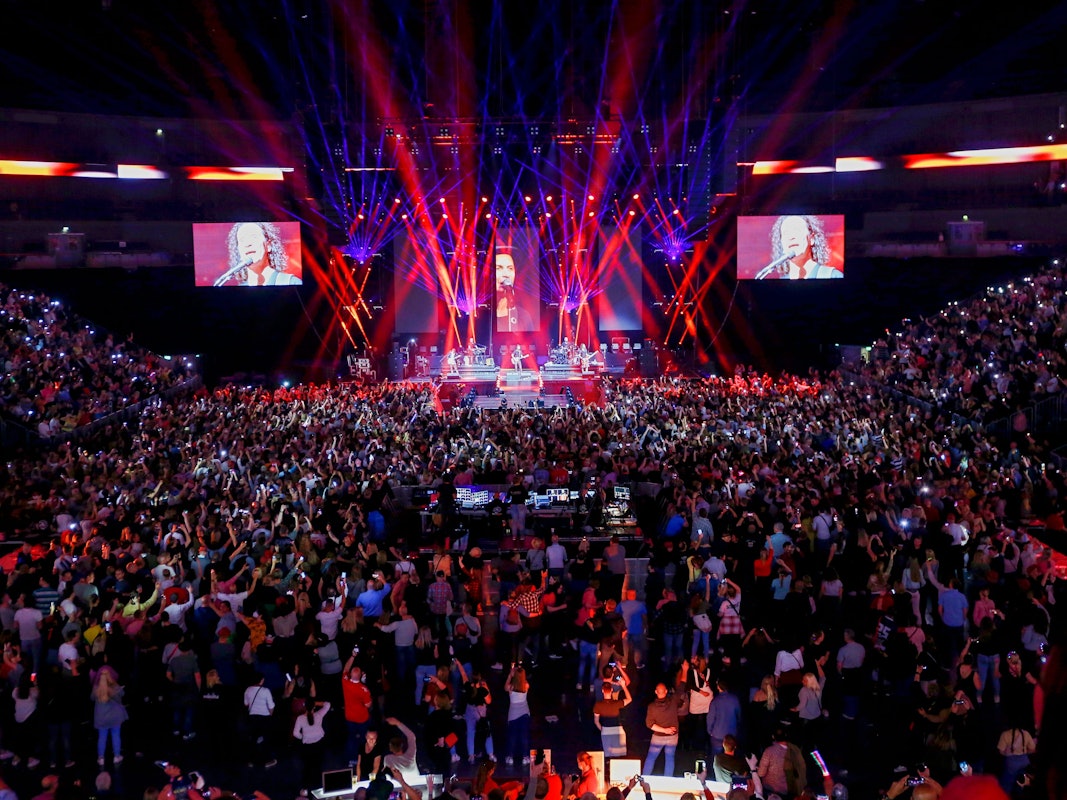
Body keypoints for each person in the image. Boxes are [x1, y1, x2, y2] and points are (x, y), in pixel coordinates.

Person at [761, 215, 841, 280]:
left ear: (811, 239)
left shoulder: (833, 276)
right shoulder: (780, 283)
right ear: (781, 243)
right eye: (786, 233)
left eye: (797, 231)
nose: (791, 237)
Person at [222, 221, 302, 286]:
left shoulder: (291, 283)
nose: (247, 244)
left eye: (253, 237)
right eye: (242, 240)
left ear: (269, 245)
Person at [643, 682, 682, 776]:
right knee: (669, 758)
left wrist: (664, 730)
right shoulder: (673, 701)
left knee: (651, 758)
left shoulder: (651, 707)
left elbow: (649, 724)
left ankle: (643, 780)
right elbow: (682, 686)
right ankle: (667, 781)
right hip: (672, 736)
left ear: (656, 692)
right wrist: (684, 670)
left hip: (658, 737)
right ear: (666, 691)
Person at [293, 700, 331, 795]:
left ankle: (305, 789)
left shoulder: (300, 718)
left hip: (307, 747)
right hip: (319, 744)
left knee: (307, 767)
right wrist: (316, 703)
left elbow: (295, 733)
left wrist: (303, 737)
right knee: (318, 765)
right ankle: (319, 788)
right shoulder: (318, 715)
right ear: (314, 707)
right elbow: (327, 704)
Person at [91, 670, 127, 766]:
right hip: (115, 716)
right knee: (116, 736)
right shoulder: (114, 687)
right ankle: (116, 756)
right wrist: (114, 683)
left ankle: (101, 758)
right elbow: (122, 693)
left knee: (102, 737)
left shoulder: (96, 689)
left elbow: (91, 698)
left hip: (101, 717)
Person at [495, 250, 535, 332]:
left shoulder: (523, 316)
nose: (506, 274)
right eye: (498, 268)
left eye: (510, 268)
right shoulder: (480, 314)